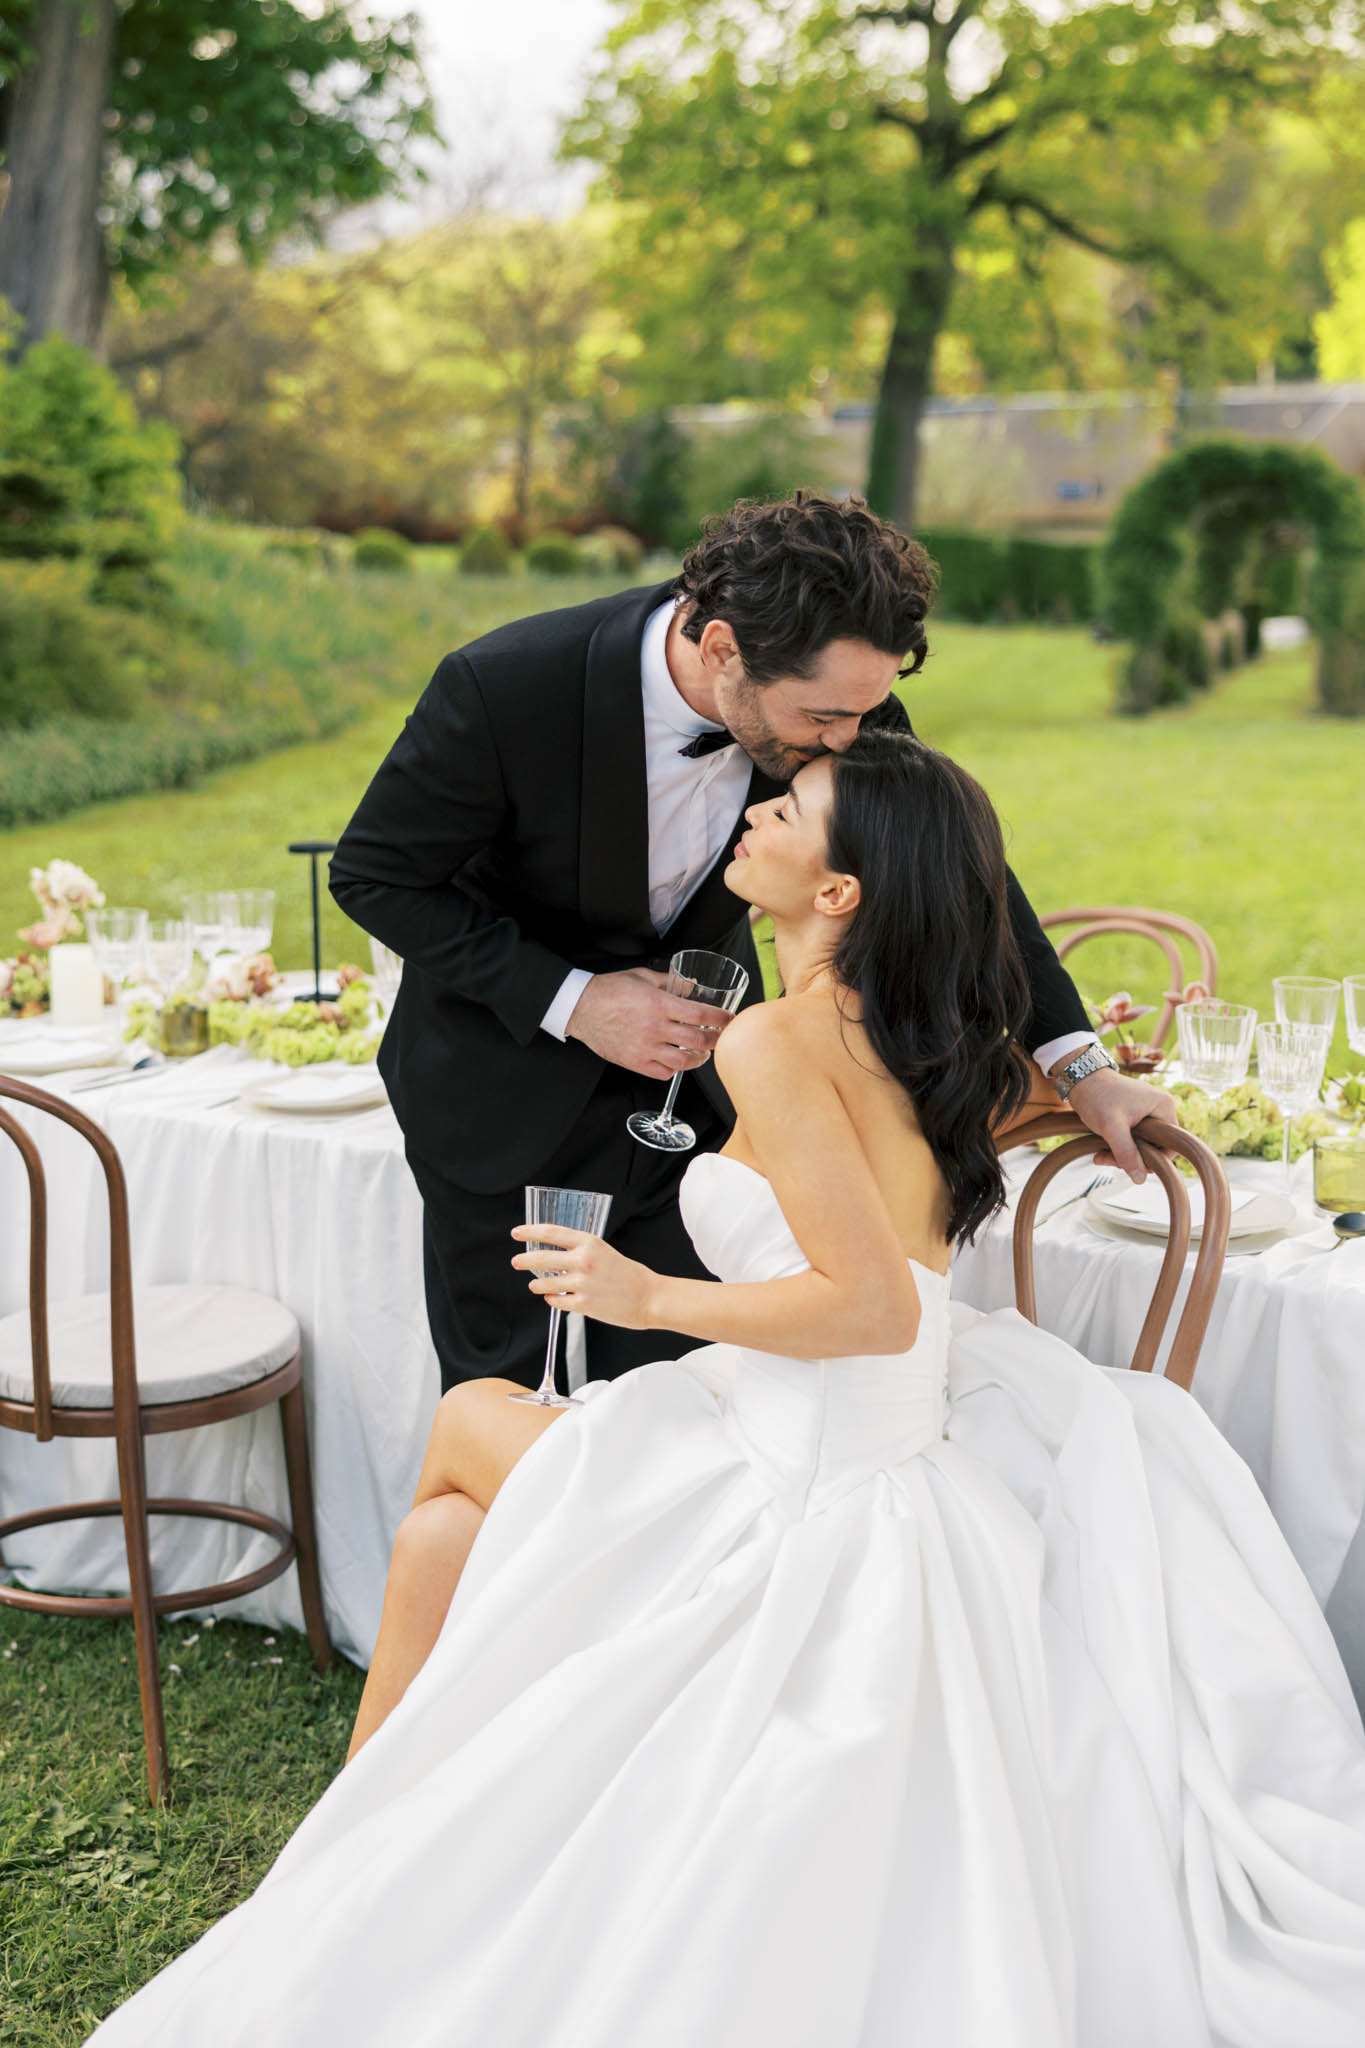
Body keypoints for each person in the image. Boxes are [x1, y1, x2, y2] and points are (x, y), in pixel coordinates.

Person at [89, 733, 1365, 2046]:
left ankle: (368, 1841)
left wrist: (639, 1297)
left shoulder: (773, 1043)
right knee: (440, 1533)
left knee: (472, 1420)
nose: (757, 812)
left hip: (801, 1472)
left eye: (793, 808)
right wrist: (1064, 1098)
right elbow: (896, 1212)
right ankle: (369, 1836)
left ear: (839, 894)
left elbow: (868, 1308)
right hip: (855, 1428)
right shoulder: (924, 1037)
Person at [328, 492, 1172, 1393]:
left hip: (706, 1106)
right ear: (723, 647)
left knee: (685, 1396)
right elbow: (374, 876)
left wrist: (1080, 1067)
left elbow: (964, 880)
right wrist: (576, 1000)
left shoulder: (841, 697)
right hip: (497, 1094)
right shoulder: (505, 686)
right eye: (824, 721)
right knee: (502, 1398)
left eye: (865, 713)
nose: (850, 740)